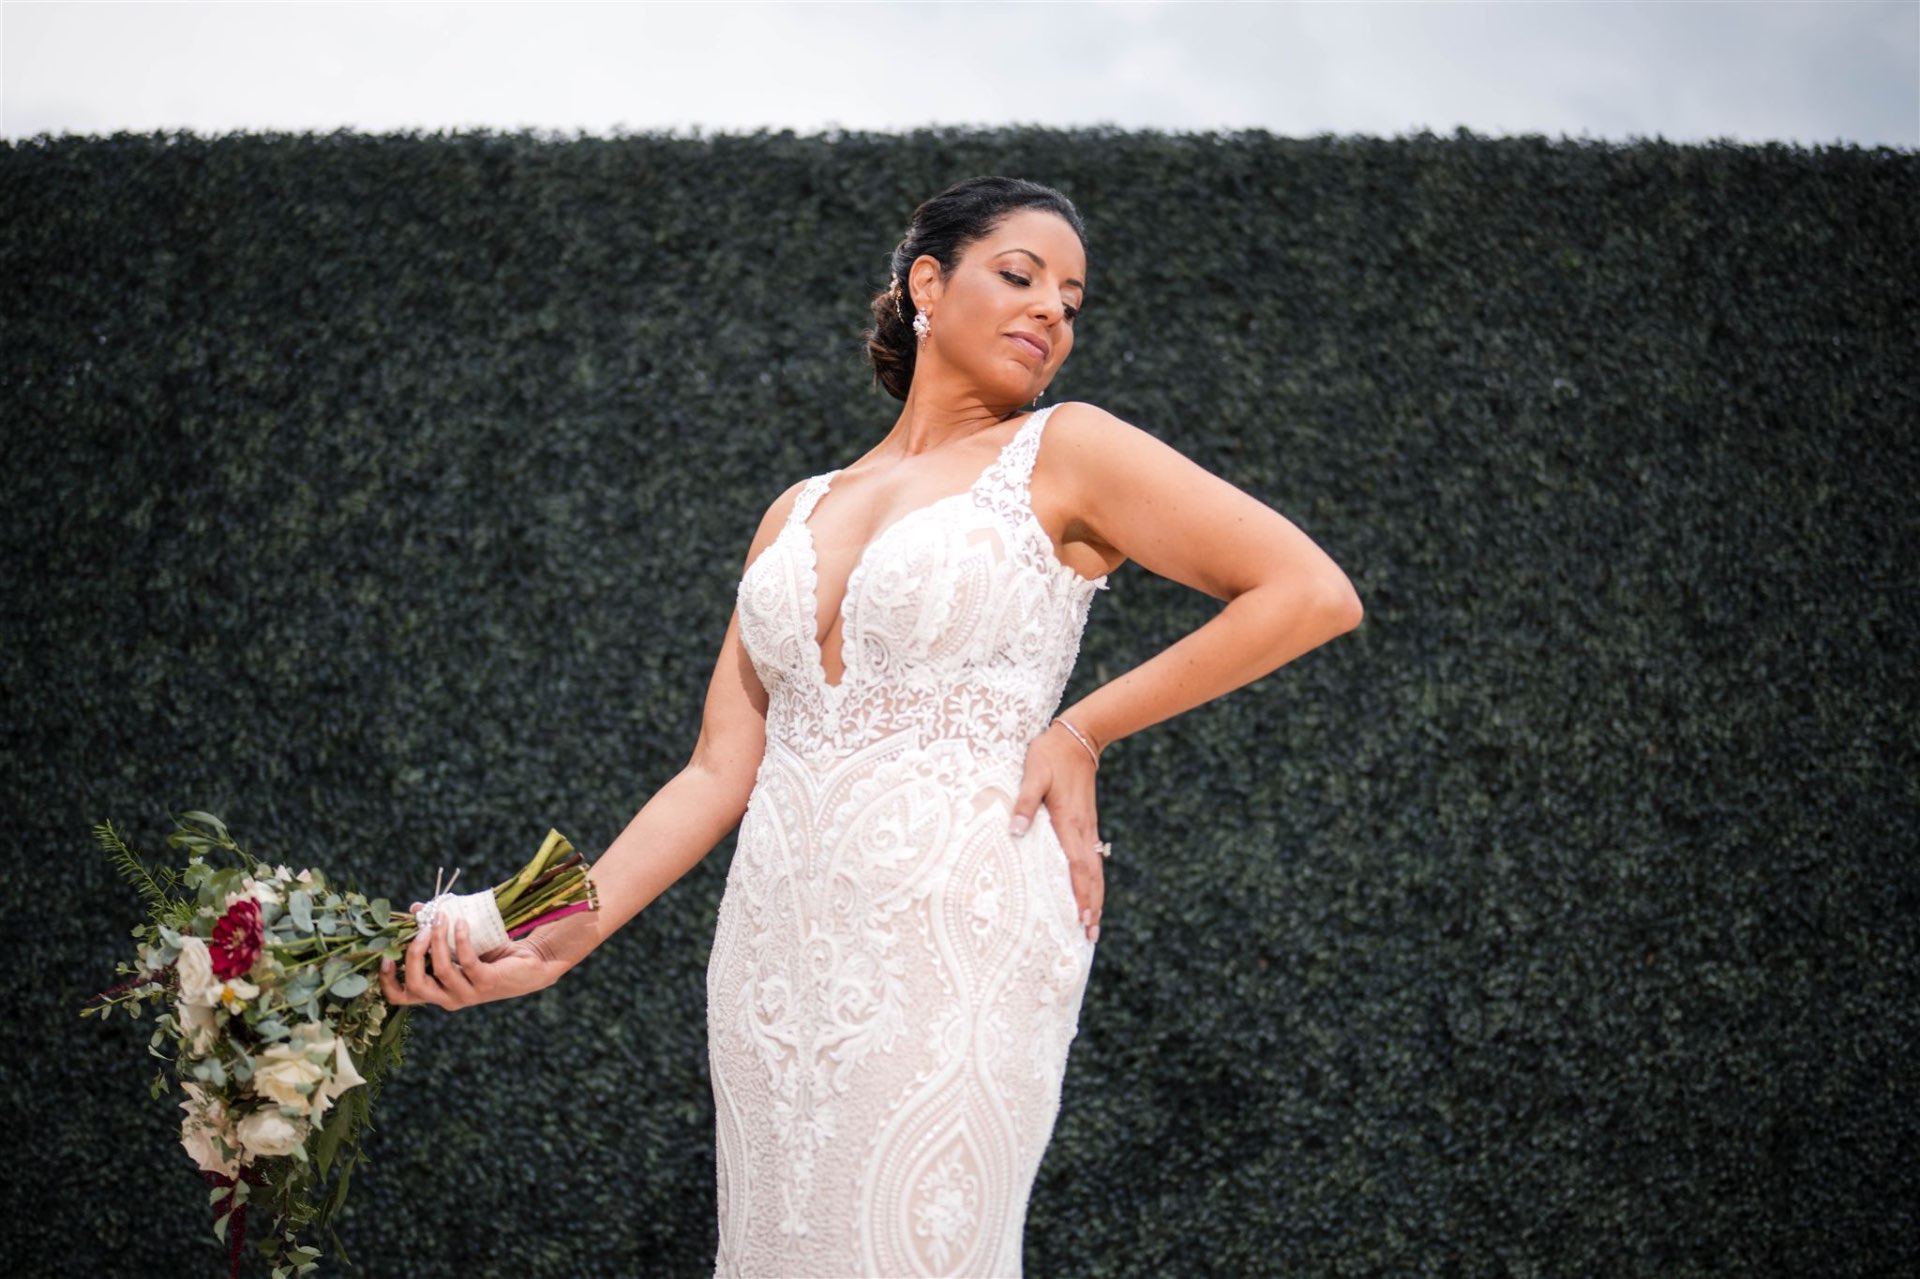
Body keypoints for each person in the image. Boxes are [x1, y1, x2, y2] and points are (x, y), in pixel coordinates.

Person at [379, 175, 1363, 1276]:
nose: (1053, 312)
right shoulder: (796, 510)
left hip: (962, 926)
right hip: (774, 950)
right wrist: (558, 933)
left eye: (1073, 301)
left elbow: (1308, 591)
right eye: (1022, 274)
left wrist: (1078, 732)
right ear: (927, 284)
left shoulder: (1070, 449)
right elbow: (716, 768)